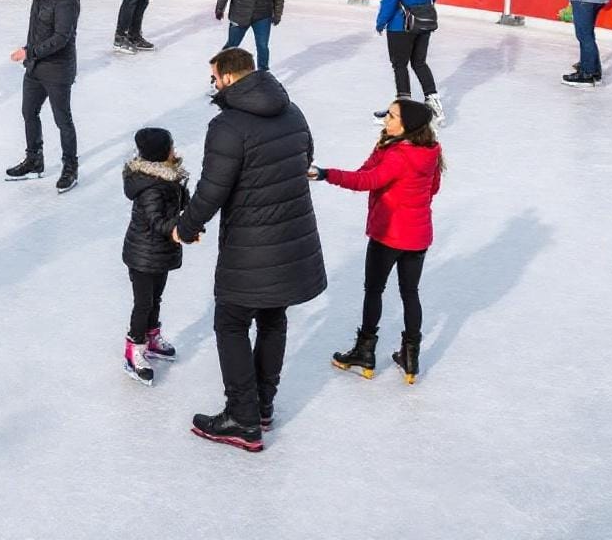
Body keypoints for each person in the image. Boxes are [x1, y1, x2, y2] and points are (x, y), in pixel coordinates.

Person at [175, 48, 326, 451]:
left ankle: (242, 418)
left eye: (213, 78)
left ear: (226, 77)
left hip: (250, 243)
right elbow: (305, 157)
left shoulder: (227, 125)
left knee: (231, 323)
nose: (212, 85)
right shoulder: (291, 111)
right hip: (291, 236)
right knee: (273, 319)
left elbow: (212, 191)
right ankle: (262, 404)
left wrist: (185, 227)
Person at [312, 98, 443, 384]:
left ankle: (365, 351)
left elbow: (367, 181)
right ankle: (410, 358)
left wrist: (325, 174)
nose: (386, 120)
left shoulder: (398, 155)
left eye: (392, 116)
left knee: (374, 290)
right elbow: (432, 187)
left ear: (407, 126)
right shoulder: (431, 150)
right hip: (419, 236)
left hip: (389, 235)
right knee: (411, 293)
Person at [0, 0, 81, 194]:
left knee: (63, 120)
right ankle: (34, 159)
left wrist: (28, 52)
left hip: (57, 69)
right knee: (29, 112)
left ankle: (70, 167)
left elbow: (62, 37)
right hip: (35, 67)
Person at [121, 126, 191, 386]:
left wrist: (186, 198)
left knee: (155, 298)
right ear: (162, 153)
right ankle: (134, 349)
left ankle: (151, 336)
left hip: (159, 253)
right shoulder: (151, 187)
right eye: (171, 146)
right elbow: (156, 222)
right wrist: (179, 231)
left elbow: (182, 204)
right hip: (142, 255)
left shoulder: (170, 178)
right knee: (143, 303)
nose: (175, 150)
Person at [375, 0, 443, 123]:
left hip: (400, 24)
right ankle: (435, 105)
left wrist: (381, 21)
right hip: (425, 21)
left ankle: (402, 113)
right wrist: (422, 7)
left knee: (400, 65)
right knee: (419, 63)